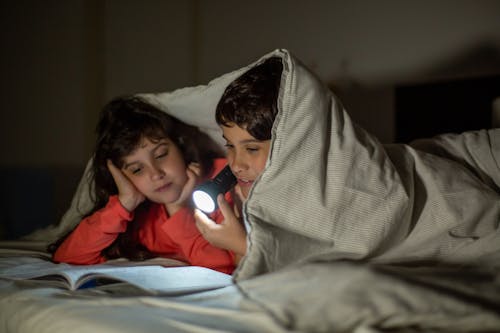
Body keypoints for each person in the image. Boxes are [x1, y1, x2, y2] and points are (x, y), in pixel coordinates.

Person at [51, 96, 236, 274]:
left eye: (161, 154)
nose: (156, 174)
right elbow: (68, 256)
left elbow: (223, 270)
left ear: (181, 146)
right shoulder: (142, 220)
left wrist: (179, 210)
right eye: (137, 169)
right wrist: (123, 204)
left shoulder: (225, 181)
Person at [194, 57, 283, 260]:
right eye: (230, 146)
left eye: (251, 149)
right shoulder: (241, 195)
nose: (235, 164)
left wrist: (240, 244)